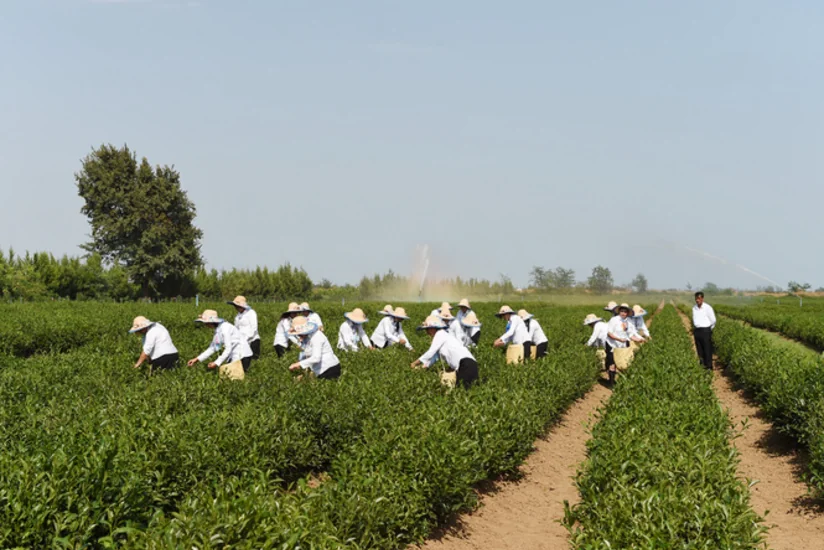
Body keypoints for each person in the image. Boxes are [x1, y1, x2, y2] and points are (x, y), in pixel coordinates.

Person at [411, 315, 479, 389]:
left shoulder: (440, 334)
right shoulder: (444, 336)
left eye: (428, 329)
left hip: (466, 364)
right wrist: (421, 368)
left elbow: (430, 353)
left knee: (459, 390)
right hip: (471, 365)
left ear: (433, 328)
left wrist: (415, 363)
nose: (427, 332)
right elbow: (433, 358)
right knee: (463, 389)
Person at [188, 309, 254, 372]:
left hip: (243, 355)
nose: (205, 325)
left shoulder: (225, 329)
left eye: (206, 323)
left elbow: (228, 348)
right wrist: (197, 359)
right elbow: (213, 348)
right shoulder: (218, 330)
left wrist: (216, 363)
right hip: (234, 354)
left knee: (236, 377)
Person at [288, 315, 341, 379]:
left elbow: (316, 358)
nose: (299, 336)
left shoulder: (316, 336)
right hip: (319, 370)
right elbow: (309, 355)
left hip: (329, 368)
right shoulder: (307, 338)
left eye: (300, 334)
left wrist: (298, 364)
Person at [605, 304, 634, 385]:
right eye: (622, 311)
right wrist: (619, 339)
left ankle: (623, 382)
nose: (623, 313)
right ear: (619, 312)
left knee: (622, 363)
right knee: (612, 364)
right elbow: (609, 333)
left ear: (628, 313)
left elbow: (630, 334)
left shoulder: (628, 321)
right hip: (612, 344)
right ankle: (611, 383)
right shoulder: (614, 320)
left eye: (625, 312)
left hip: (622, 346)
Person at [227, 296, 261, 360]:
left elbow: (254, 328)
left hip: (252, 340)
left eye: (237, 306)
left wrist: (246, 338)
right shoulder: (237, 316)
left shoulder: (251, 313)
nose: (236, 308)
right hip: (243, 342)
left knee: (253, 359)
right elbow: (236, 329)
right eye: (235, 306)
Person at [692, 291, 716, 369]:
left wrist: (708, 329)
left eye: (699, 298)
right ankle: (702, 366)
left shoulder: (707, 308)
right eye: (696, 298)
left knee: (707, 349)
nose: (697, 300)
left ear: (702, 298)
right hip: (697, 331)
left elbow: (713, 320)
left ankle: (709, 367)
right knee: (699, 350)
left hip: (706, 331)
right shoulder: (694, 308)